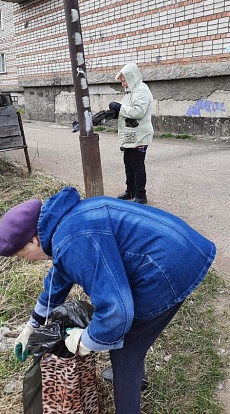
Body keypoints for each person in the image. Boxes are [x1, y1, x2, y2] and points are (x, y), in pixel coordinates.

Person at [0, 187, 216, 414]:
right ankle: (131, 376)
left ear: (34, 240)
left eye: (23, 255)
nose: (29, 261)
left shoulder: (73, 240)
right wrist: (32, 324)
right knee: (127, 339)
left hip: (167, 266)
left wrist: (84, 341)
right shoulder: (63, 224)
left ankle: (128, 398)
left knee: (125, 347)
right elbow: (59, 276)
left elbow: (117, 311)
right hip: (176, 245)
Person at [109, 62, 154, 204]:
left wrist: (120, 108)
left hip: (140, 136)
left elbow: (138, 112)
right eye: (122, 81)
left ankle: (141, 195)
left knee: (137, 166)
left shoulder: (141, 90)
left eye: (124, 81)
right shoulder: (130, 92)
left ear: (132, 77)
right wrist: (116, 111)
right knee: (128, 164)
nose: (123, 84)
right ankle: (131, 191)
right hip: (131, 135)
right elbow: (126, 110)